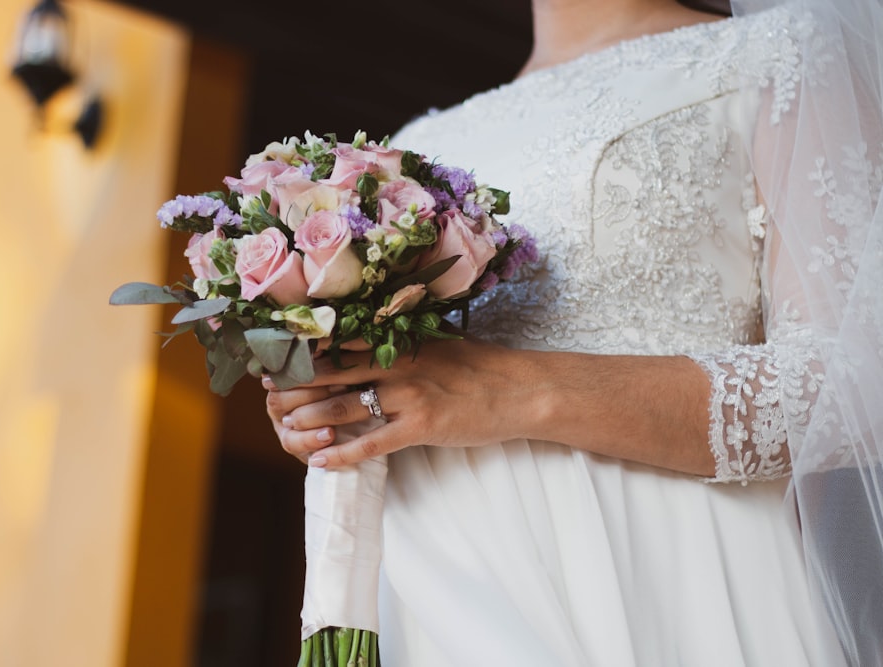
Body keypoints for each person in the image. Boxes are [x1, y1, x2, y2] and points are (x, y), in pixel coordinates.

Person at [264, 0, 883, 664]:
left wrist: (507, 389)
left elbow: (853, 391)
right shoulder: (411, 150)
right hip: (447, 585)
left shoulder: (782, 52)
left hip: (670, 580)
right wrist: (335, 401)